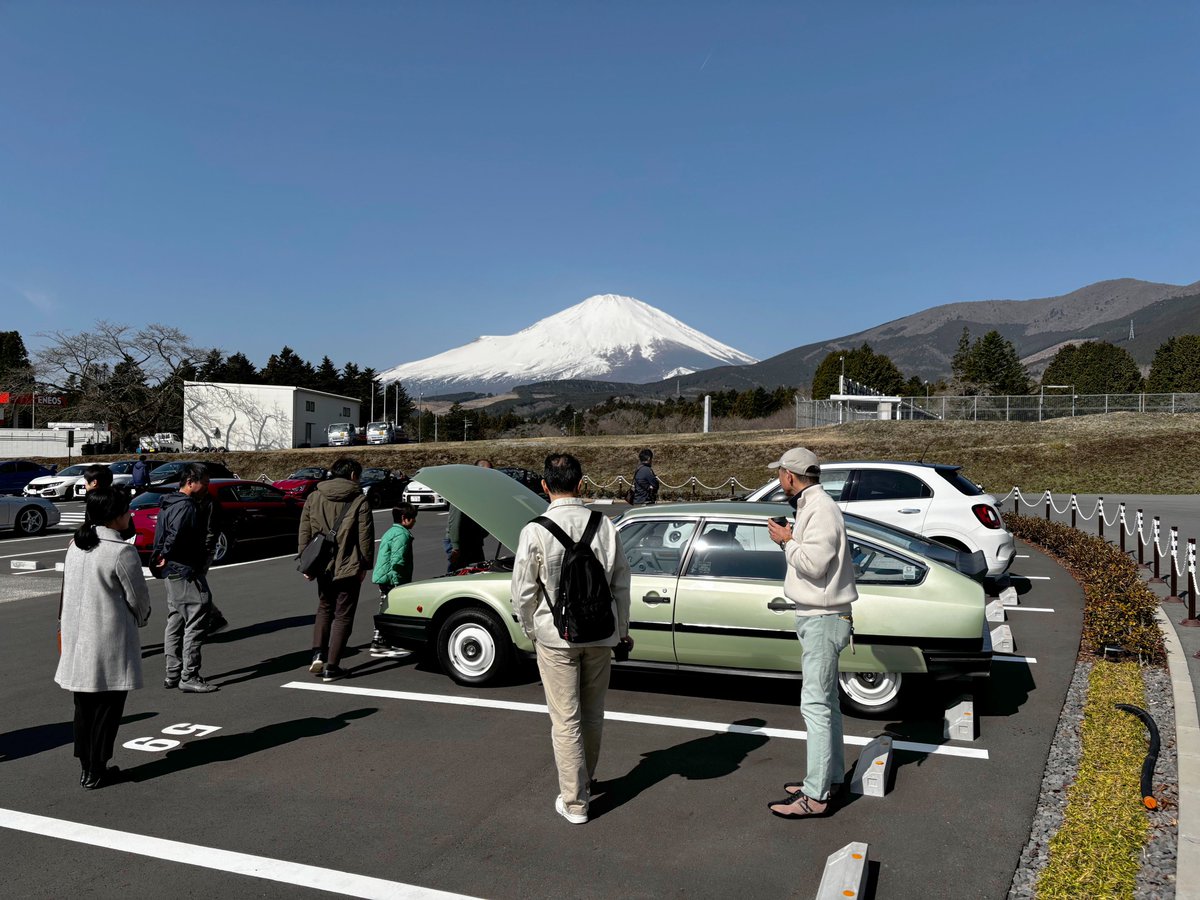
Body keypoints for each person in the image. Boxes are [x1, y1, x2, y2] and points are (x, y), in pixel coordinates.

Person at [511, 452, 632, 825]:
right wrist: (621, 632)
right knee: (593, 713)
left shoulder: (535, 530)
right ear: (582, 484)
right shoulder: (606, 526)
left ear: (545, 486)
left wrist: (533, 630)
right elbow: (622, 584)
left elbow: (522, 593)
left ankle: (575, 801)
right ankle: (588, 779)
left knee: (566, 719)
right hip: (600, 634)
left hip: (556, 636)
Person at [764, 447, 858, 819]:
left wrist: (786, 540)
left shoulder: (819, 509)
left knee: (816, 706)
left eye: (780, 475)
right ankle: (828, 778)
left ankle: (816, 795)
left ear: (790, 475)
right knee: (826, 704)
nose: (778, 480)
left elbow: (815, 565)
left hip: (822, 616)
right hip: (825, 615)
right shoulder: (815, 505)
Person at [55, 487, 152, 789]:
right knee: (108, 708)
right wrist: (142, 617)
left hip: (77, 635)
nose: (130, 515)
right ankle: (98, 768)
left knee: (83, 707)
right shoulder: (122, 551)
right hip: (109, 637)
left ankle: (87, 766)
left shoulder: (76, 545)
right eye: (126, 510)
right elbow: (139, 599)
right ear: (115, 515)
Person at [299, 457, 374, 682]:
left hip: (322, 565)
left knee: (324, 608)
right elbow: (365, 537)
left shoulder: (314, 496)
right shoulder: (359, 500)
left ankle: (317, 654)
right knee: (343, 615)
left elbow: (305, 531)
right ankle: (332, 667)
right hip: (349, 565)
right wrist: (365, 565)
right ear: (353, 475)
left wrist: (306, 563)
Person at [152, 462, 219, 693]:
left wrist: (161, 556)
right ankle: (189, 675)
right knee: (198, 614)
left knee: (176, 619)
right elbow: (176, 535)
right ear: (190, 483)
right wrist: (168, 553)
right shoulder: (187, 506)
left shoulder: (168, 503)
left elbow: (162, 534)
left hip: (172, 570)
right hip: (185, 569)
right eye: (205, 483)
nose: (207, 488)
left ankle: (172, 672)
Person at [369, 503, 418, 655]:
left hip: (385, 577)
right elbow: (397, 560)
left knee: (386, 608)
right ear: (404, 518)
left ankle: (379, 640)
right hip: (393, 579)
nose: (415, 521)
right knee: (393, 611)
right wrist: (397, 583)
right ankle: (384, 641)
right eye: (413, 518)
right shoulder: (402, 535)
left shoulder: (391, 532)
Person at [445, 458, 492, 572]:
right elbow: (454, 521)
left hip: (473, 541)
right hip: (460, 542)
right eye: (486, 472)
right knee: (458, 572)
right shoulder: (464, 490)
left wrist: (482, 534)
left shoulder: (481, 491)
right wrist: (456, 547)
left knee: (476, 571)